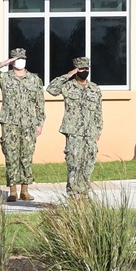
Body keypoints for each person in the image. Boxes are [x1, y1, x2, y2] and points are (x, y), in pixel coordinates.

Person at [0, 47, 46, 202]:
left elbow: (40, 103)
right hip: (10, 122)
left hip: (29, 123)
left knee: (27, 156)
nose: (20, 61)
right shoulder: (4, 78)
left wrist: (40, 123)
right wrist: (3, 64)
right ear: (12, 61)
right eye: (16, 59)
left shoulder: (34, 80)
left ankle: (25, 190)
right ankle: (12, 191)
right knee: (11, 156)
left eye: (22, 58)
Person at [47, 55, 104, 195]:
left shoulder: (94, 89)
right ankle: (73, 194)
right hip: (73, 131)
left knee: (89, 162)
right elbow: (51, 89)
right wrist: (68, 75)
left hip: (90, 132)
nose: (84, 71)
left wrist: (98, 130)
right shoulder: (68, 86)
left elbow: (98, 111)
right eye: (81, 68)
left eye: (86, 68)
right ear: (76, 70)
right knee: (74, 162)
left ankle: (83, 193)